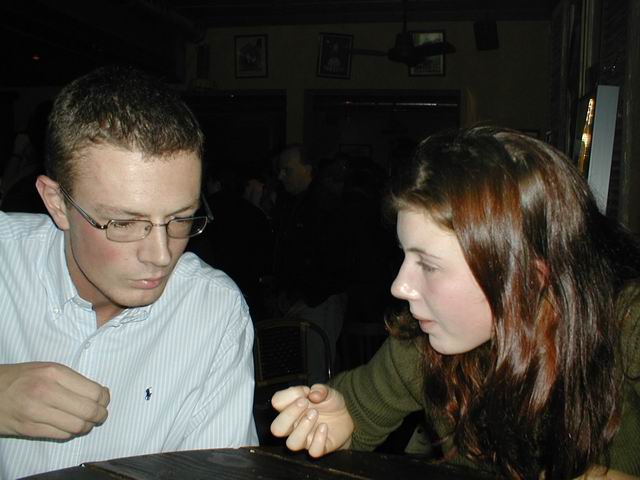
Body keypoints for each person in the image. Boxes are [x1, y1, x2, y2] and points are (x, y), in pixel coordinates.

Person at [270, 126, 640, 479]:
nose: (399, 286)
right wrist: (340, 425)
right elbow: (353, 410)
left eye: (429, 265)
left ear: (529, 277)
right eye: (405, 255)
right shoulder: (423, 344)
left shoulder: (629, 327)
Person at [0, 65, 257, 479]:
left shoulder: (214, 310)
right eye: (123, 223)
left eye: (181, 218)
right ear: (57, 203)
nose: (161, 255)